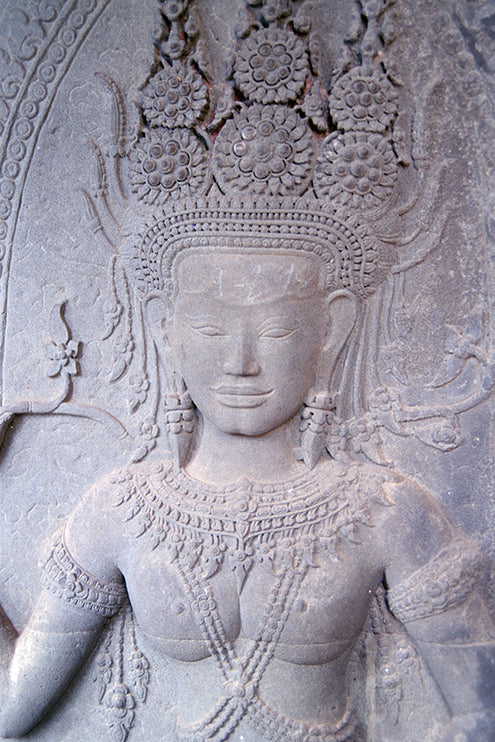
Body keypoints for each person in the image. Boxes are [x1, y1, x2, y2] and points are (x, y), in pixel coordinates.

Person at [0, 200, 494, 742]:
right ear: (167, 330)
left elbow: (485, 710)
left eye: (277, 330)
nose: (240, 362)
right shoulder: (121, 509)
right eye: (210, 328)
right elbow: (10, 710)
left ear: (331, 329)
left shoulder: (384, 508)